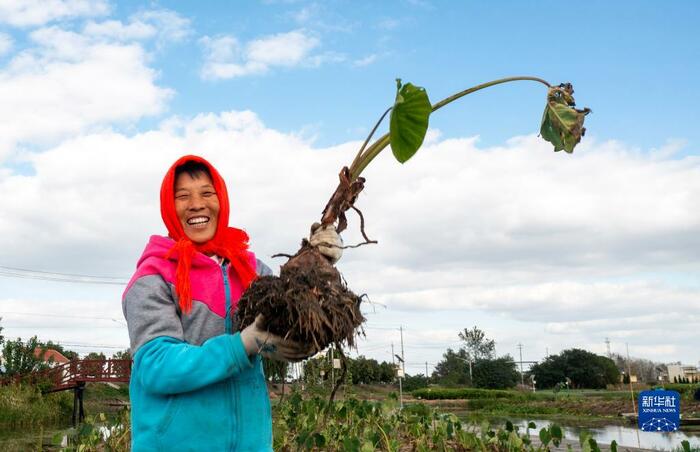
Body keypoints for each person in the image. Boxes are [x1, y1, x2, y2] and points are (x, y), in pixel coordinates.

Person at [122, 155, 342, 451]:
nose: (197, 204)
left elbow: (296, 318)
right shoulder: (153, 276)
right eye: (183, 196)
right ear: (168, 207)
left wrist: (321, 261)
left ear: (221, 200)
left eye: (206, 193)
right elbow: (156, 366)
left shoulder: (250, 270)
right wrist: (244, 345)